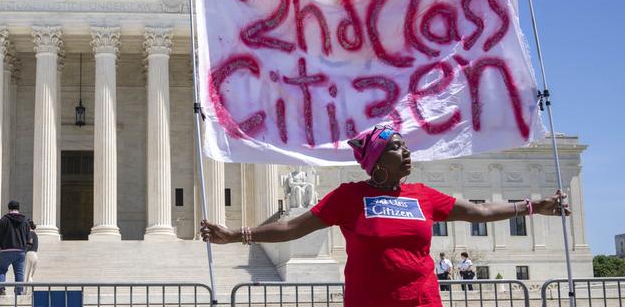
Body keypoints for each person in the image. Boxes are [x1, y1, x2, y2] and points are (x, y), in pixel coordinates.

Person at [200, 125, 570, 307]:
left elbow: (480, 210)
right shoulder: (350, 197)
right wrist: (235, 235)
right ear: (376, 161)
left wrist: (533, 206)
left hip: (423, 301)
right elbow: (292, 228)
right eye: (396, 148)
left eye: (406, 146)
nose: (407, 153)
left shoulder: (423, 196)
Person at [0, 200, 30, 295]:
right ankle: (19, 291)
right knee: (19, 273)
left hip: (6, 250)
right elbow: (29, 237)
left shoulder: (3, 220)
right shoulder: (25, 221)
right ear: (18, 208)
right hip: (20, 251)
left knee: (2, 270)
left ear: (9, 208)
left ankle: (1, 289)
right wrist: (26, 248)